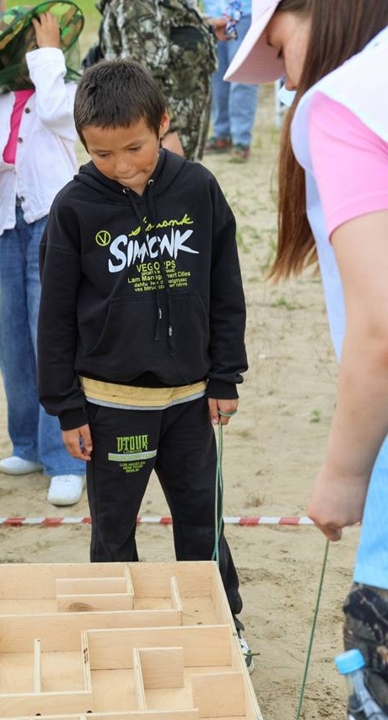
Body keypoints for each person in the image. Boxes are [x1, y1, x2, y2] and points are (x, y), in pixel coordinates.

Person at [37, 59, 251, 665]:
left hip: (189, 402)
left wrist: (224, 373)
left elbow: (224, 286)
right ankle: (115, 632)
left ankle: (220, 627)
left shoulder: (199, 188)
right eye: (103, 154)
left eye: (135, 147)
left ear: (162, 124)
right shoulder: (73, 206)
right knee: (113, 529)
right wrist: (66, 406)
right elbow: (53, 316)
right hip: (111, 405)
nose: (123, 166)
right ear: (83, 144)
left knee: (201, 523)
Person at [225, 0, 388, 705]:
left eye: (282, 52)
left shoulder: (345, 101)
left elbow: (382, 322)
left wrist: (343, 475)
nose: (288, 84)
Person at [0, 8, 85, 506]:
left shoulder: (65, 93)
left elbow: (62, 115)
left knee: (53, 339)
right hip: (11, 230)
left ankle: (66, 459)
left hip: (53, 227)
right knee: (14, 341)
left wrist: (50, 51)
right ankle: (28, 445)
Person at [95, 0, 218, 160]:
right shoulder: (137, 3)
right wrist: (167, 131)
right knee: (167, 182)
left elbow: (160, 26)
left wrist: (202, 26)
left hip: (176, 120)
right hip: (165, 128)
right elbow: (144, 72)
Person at [203, 0, 259, 162]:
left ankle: (241, 140)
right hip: (213, 13)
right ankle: (221, 134)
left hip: (244, 13)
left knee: (242, 78)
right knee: (217, 78)